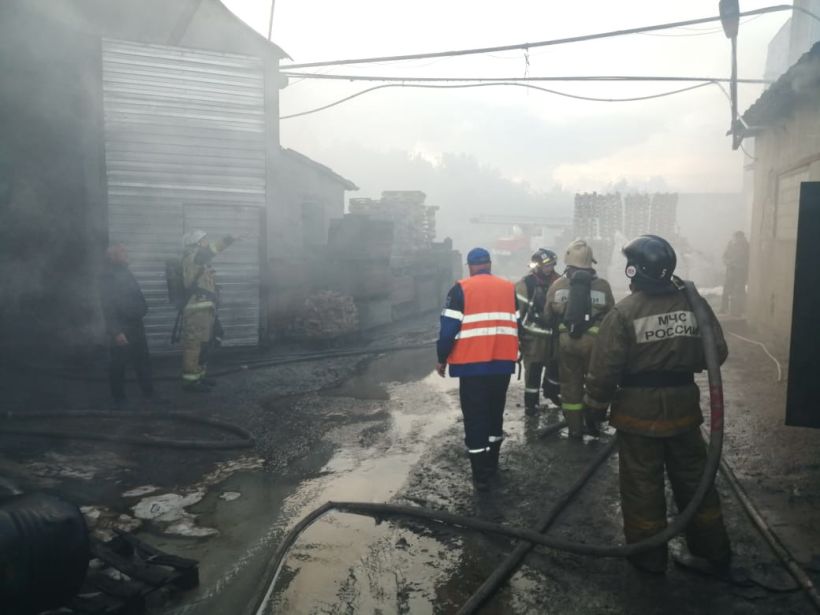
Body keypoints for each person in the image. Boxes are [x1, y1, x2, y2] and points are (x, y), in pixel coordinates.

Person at [584, 234, 731, 575]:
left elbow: (604, 369)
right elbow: (717, 352)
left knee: (642, 487)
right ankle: (713, 553)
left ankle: (648, 561)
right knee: (696, 484)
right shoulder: (693, 304)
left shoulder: (624, 312)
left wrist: (594, 408)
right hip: (683, 412)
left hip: (638, 416)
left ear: (634, 270)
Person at [436, 247, 519, 491]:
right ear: (490, 264)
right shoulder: (508, 288)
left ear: (471, 267)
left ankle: (480, 475)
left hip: (472, 367)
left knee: (475, 418)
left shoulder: (461, 289)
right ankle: (492, 464)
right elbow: (518, 322)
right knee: (495, 414)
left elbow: (448, 331)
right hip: (502, 365)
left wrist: (441, 358)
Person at [545, 239, 614, 438]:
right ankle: (593, 425)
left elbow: (548, 315)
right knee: (595, 385)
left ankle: (575, 430)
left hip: (567, 344)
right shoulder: (603, 286)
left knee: (570, 387)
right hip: (595, 345)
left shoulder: (557, 285)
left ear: (568, 261)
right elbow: (612, 317)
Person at [99, 244, 154, 410]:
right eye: (122, 253)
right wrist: (116, 332)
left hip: (136, 325)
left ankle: (149, 394)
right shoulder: (108, 276)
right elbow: (107, 307)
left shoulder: (126, 272)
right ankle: (119, 398)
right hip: (122, 328)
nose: (126, 255)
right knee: (118, 364)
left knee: (142, 361)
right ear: (113, 257)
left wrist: (142, 308)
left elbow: (136, 294)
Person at [181, 230, 235, 391]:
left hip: (205, 309)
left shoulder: (200, 260)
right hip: (197, 310)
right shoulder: (194, 257)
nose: (206, 242)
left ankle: (199, 376)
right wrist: (229, 238)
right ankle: (190, 382)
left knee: (205, 344)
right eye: (204, 240)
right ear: (197, 243)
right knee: (194, 346)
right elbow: (212, 249)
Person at [515, 248, 561, 415]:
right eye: (547, 265)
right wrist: (518, 336)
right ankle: (531, 405)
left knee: (555, 369)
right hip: (533, 338)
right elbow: (518, 311)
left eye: (552, 264)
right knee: (533, 371)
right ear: (538, 266)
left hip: (554, 337)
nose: (550, 268)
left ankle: (553, 395)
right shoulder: (525, 283)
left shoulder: (560, 281)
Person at [720, 230, 749, 316]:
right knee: (726, 289)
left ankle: (739, 310)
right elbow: (724, 256)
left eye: (739, 237)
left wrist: (743, 267)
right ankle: (723, 309)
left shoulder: (746, 246)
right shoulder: (731, 244)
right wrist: (727, 262)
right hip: (731, 270)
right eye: (736, 237)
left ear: (742, 237)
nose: (737, 239)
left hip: (740, 272)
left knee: (739, 291)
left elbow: (748, 259)